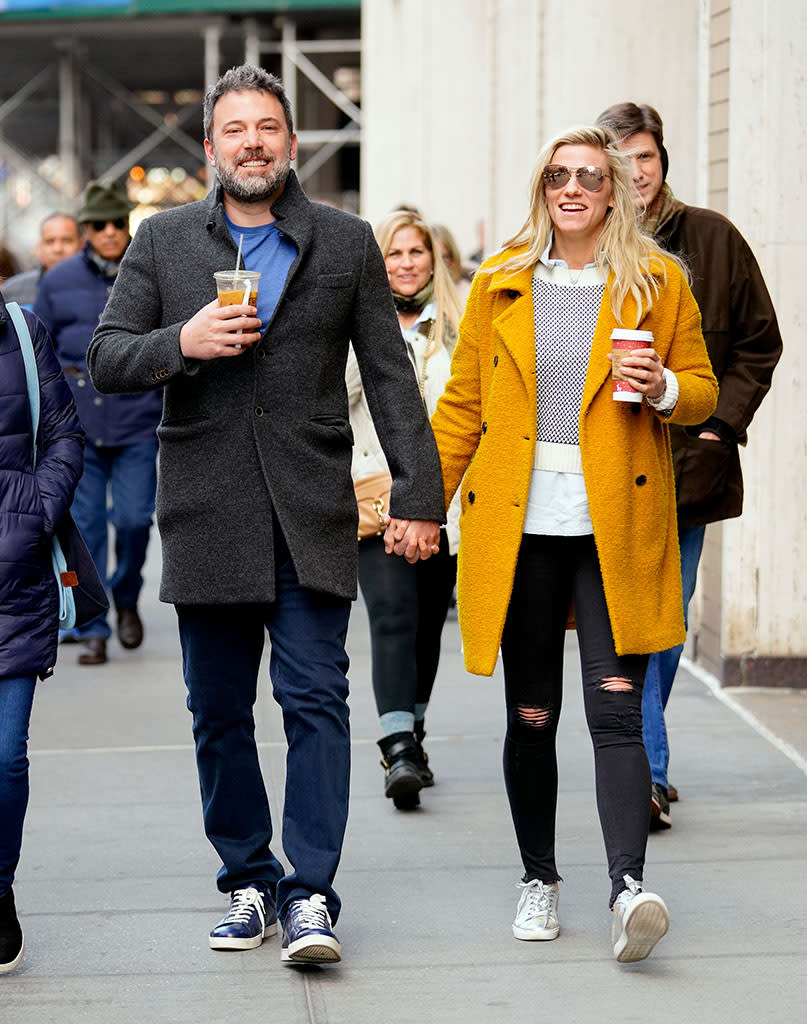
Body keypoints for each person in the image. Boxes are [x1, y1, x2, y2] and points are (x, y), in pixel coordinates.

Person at [88, 65, 444, 965]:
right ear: (209, 149)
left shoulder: (346, 241)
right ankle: (247, 879)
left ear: (290, 143)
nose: (252, 142)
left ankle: (311, 894)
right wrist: (185, 341)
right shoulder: (163, 240)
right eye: (235, 128)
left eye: (269, 127)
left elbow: (392, 379)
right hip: (207, 511)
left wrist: (418, 496)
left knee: (317, 701)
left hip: (310, 508)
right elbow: (105, 357)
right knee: (217, 713)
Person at [427, 125, 717, 962]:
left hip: (612, 529)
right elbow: (461, 407)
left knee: (615, 712)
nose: (573, 188)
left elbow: (699, 388)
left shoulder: (656, 282)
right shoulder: (502, 281)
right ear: (542, 187)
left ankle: (628, 890)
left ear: (616, 192)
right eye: (559, 174)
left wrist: (662, 385)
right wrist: (422, 505)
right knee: (531, 715)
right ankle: (539, 880)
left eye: (591, 176)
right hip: (520, 531)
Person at [596, 102, 783, 829]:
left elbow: (758, 344)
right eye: (621, 157)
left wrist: (717, 425)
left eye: (644, 156)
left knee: (664, 623)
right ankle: (643, 771)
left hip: (685, 467)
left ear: (660, 161)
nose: (635, 170)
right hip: (604, 464)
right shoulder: (584, 244)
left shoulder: (713, 238)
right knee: (625, 622)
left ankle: (642, 764)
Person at [347, 209, 462, 809]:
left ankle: (413, 730)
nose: (406, 263)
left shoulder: (461, 323)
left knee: (425, 623)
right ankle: (397, 747)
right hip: (376, 492)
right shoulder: (354, 320)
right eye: (393, 253)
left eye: (416, 252)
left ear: (433, 259)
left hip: (446, 498)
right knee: (390, 613)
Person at [35, 182, 162, 667]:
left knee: (133, 520)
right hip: (77, 427)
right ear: (85, 229)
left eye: (116, 223)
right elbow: (40, 347)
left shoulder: (148, 269)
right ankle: (94, 626)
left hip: (135, 420)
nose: (108, 232)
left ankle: (126, 597)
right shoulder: (59, 279)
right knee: (85, 530)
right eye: (97, 225)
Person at [0, 297, 84, 972]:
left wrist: (37, 508)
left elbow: (62, 433)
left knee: (3, 759)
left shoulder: (22, 331)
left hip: (15, 581)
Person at [1, 213, 82, 309]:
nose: (58, 249)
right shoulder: (12, 292)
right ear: (39, 247)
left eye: (67, 240)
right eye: (50, 241)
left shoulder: (99, 288)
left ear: (81, 245)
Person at [431, 223, 473, 306]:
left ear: (453, 259)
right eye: (433, 258)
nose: (438, 265)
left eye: (443, 258)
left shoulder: (466, 294)